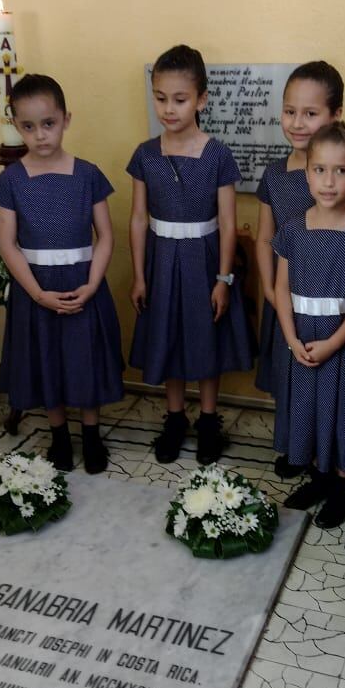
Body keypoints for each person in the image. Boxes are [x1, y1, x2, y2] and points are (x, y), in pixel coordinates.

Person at [0, 74, 123, 473]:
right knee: (47, 357)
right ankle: (59, 435)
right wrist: (36, 294)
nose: (40, 135)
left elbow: (104, 236)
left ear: (66, 119)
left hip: (83, 283)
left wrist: (93, 284)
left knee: (85, 358)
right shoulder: (11, 180)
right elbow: (8, 244)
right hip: (39, 290)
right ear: (16, 125)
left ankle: (91, 433)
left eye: (48, 124)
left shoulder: (87, 175)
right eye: (28, 126)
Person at [128, 45, 253, 465]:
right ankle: (176, 416)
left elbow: (228, 220)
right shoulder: (145, 154)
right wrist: (140, 277)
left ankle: (209, 420)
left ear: (201, 99)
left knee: (205, 339)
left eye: (179, 99)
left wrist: (224, 279)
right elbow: (138, 219)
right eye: (160, 98)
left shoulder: (217, 154)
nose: (169, 108)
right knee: (169, 336)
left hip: (205, 260)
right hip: (162, 261)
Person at [255, 62, 345, 478]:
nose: (298, 122)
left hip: (341, 314)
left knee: (338, 398)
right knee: (296, 388)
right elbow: (265, 240)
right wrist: (273, 295)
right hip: (292, 302)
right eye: (291, 111)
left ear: (335, 114)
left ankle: (337, 473)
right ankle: (300, 452)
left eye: (311, 113)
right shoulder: (277, 178)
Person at [272, 121, 345, 529]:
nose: (329, 181)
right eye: (320, 170)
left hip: (341, 342)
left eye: (341, 171)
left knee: (342, 414)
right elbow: (281, 288)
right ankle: (317, 477)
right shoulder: (293, 229)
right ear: (306, 171)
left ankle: (343, 489)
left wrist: (334, 345)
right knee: (308, 411)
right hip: (301, 341)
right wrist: (292, 338)